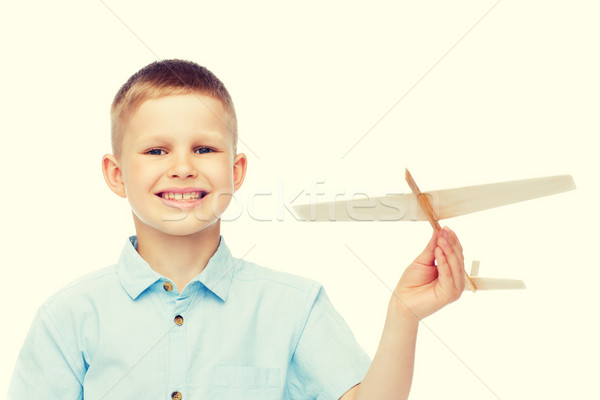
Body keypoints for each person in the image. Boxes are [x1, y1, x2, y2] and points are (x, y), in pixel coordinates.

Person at [7, 59, 465, 400]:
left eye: (204, 149)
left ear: (236, 170)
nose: (183, 168)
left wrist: (404, 315)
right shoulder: (66, 318)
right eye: (156, 151)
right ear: (116, 174)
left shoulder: (295, 306)